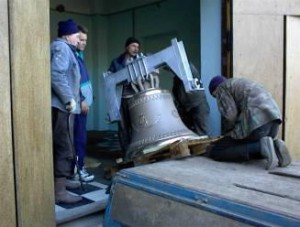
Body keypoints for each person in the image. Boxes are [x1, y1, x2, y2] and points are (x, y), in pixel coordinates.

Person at [206, 76, 292, 170]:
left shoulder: (221, 88)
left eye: (215, 96)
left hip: (257, 123)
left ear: (214, 90)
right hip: (274, 120)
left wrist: (227, 133)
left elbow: (230, 116)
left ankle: (260, 147)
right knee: (254, 144)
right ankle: (275, 146)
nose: (217, 98)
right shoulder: (239, 84)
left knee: (218, 150)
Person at [51, 19, 82, 204]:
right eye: (76, 35)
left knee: (64, 145)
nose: (78, 38)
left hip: (63, 106)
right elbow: (56, 73)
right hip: (62, 107)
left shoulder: (65, 48)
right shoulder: (62, 48)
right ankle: (59, 192)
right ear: (67, 35)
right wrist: (68, 98)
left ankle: (60, 183)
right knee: (63, 146)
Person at [108, 37, 141, 154]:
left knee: (137, 126)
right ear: (127, 47)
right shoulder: (116, 62)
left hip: (136, 99)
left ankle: (137, 152)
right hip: (121, 99)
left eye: (137, 47)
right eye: (133, 46)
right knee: (123, 127)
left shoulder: (141, 61)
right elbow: (109, 80)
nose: (135, 49)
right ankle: (126, 154)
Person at [71, 25, 95, 182]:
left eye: (85, 40)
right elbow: (72, 82)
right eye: (81, 39)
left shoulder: (79, 55)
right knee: (78, 138)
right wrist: (81, 100)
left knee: (80, 137)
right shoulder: (72, 56)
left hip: (83, 105)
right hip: (78, 106)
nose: (84, 42)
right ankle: (78, 171)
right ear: (73, 38)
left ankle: (77, 168)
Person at [172, 62, 210, 136]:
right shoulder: (178, 78)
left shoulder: (187, 69)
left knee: (203, 135)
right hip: (187, 107)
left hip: (196, 105)